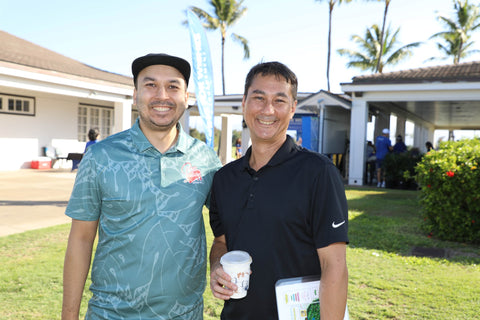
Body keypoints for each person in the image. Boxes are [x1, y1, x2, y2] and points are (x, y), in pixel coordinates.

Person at [62, 53, 222, 320]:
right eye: (150, 85)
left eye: (173, 86)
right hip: (111, 314)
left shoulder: (205, 159)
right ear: (135, 95)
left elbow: (228, 228)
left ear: (186, 98)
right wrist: (69, 316)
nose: (162, 95)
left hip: (184, 315)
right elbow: (81, 238)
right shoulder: (102, 156)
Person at [208, 62, 349, 319]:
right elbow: (221, 241)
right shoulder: (223, 179)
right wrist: (217, 264)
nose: (268, 110)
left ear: (293, 108)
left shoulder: (318, 172)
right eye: (258, 98)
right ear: (244, 102)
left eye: (279, 100)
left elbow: (334, 265)